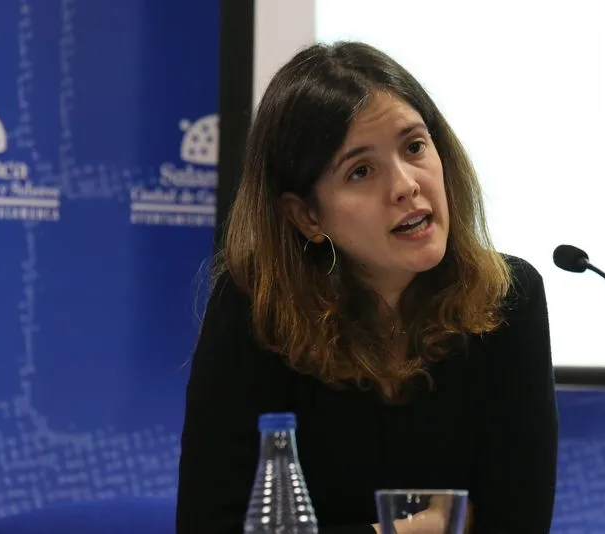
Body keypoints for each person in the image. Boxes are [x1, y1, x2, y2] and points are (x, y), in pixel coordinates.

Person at [175, 41, 558, 534]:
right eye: (361, 170)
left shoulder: (509, 298)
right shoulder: (256, 311)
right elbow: (209, 525)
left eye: (414, 147)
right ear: (308, 216)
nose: (405, 185)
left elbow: (518, 522)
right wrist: (400, 531)